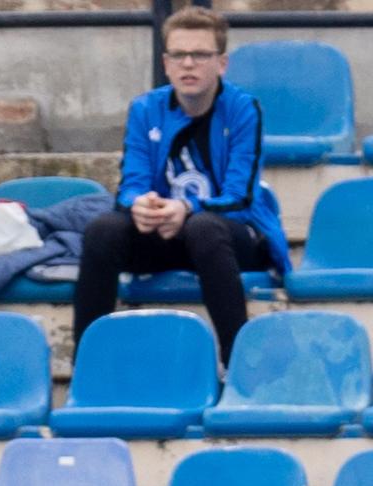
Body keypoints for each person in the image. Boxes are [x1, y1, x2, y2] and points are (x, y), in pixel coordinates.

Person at [72, 7, 288, 365]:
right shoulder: (145, 109)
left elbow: (241, 197)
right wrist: (139, 205)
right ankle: (89, 366)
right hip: (166, 234)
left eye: (200, 55)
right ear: (166, 63)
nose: (189, 64)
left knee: (203, 228)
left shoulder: (244, 109)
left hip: (229, 239)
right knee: (103, 229)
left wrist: (189, 208)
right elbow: (131, 185)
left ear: (222, 63)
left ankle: (237, 365)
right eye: (179, 55)